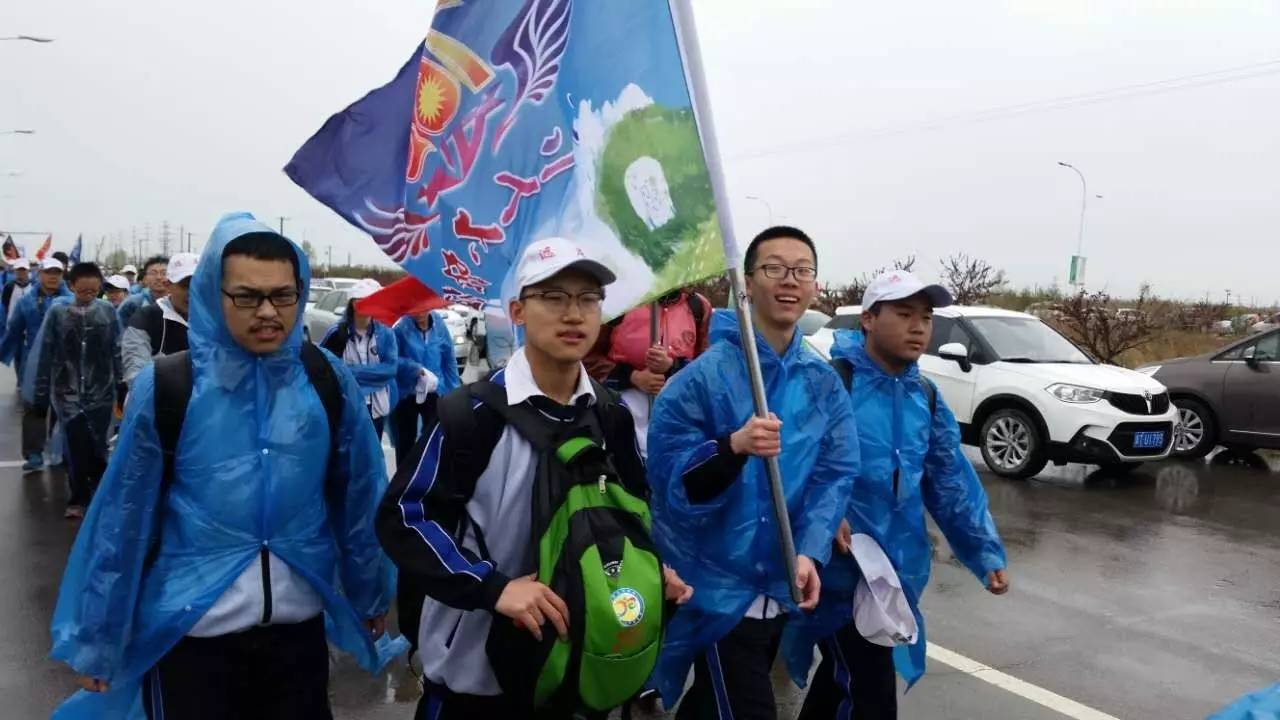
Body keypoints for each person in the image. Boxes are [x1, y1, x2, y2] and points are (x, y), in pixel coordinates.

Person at [49, 212, 398, 720]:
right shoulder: (169, 387)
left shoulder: (324, 379)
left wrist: (370, 594)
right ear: (216, 294)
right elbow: (124, 520)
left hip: (296, 639)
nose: (267, 311)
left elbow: (360, 494)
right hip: (193, 639)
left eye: (282, 295)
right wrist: (99, 636)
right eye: (247, 296)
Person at [376, 237, 689, 718]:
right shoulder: (471, 415)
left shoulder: (610, 414)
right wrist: (493, 587)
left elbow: (629, 512)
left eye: (588, 299)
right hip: (477, 681)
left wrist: (651, 570)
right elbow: (404, 518)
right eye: (554, 297)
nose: (574, 314)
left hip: (577, 671)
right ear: (518, 311)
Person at [646, 226, 859, 720]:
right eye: (774, 268)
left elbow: (835, 474)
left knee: (712, 706)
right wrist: (732, 447)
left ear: (815, 286)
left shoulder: (821, 381)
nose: (789, 281)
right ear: (746, 283)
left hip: (780, 585)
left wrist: (808, 549)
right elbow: (671, 485)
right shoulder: (699, 379)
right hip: (717, 590)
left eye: (802, 270)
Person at [783, 270, 1009, 720]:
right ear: (868, 319)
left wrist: (984, 553)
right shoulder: (833, 384)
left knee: (841, 680)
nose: (919, 326)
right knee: (871, 693)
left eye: (925, 317)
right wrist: (823, 519)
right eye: (904, 314)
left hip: (890, 575)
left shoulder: (923, 396)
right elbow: (790, 465)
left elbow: (950, 482)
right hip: (834, 571)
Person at [30, 263, 122, 519]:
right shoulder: (58, 312)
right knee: (75, 446)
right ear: (71, 286)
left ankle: (100, 493)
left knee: (98, 445)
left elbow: (117, 349)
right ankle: (79, 497)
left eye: (94, 291)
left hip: (101, 392)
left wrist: (122, 384)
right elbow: (46, 353)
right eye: (83, 291)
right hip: (66, 393)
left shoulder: (107, 312)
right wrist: (40, 393)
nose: (89, 295)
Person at [585, 286, 712, 456]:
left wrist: (672, 367)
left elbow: (705, 370)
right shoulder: (620, 301)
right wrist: (632, 376)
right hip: (620, 410)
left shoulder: (698, 306)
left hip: (677, 415)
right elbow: (588, 358)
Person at [1, 258, 72, 471]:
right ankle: (33, 454)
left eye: (57, 273)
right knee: (34, 406)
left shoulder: (71, 301)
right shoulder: (27, 302)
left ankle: (60, 451)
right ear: (39, 274)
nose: (53, 276)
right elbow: (14, 330)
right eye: (48, 272)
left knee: (65, 407)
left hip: (66, 362)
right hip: (35, 361)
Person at [320, 279, 398, 437]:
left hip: (377, 407)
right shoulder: (337, 332)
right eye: (361, 301)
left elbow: (390, 369)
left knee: (374, 454)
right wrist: (370, 376)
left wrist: (349, 372)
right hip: (348, 404)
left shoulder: (385, 333)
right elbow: (326, 368)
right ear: (353, 304)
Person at [391, 308, 462, 465]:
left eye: (424, 309)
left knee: (433, 437)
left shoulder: (439, 326)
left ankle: (429, 477)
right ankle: (403, 482)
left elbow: (448, 358)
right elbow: (392, 360)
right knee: (405, 441)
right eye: (416, 309)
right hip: (407, 392)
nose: (419, 314)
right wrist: (415, 369)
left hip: (433, 389)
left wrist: (454, 390)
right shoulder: (401, 328)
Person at [122, 253, 197, 386]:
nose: (192, 292)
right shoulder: (146, 318)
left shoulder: (216, 318)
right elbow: (137, 377)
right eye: (185, 286)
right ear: (168, 285)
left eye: (198, 284)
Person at [116, 255, 169, 327]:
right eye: (153, 273)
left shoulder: (179, 302)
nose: (158, 277)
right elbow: (119, 330)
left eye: (164, 273)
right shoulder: (132, 303)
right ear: (145, 277)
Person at [1, 258, 34, 339]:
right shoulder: (9, 287)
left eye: (23, 269)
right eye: (19, 270)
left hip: (29, 329)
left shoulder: (34, 286)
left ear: (28, 270)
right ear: (15, 271)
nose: (21, 272)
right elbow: (5, 305)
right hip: (12, 327)